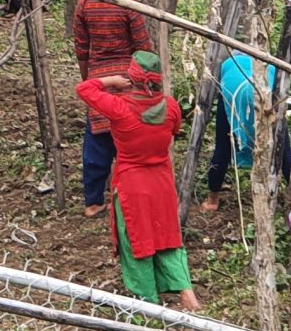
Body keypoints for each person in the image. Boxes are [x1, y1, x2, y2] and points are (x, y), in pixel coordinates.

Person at [75, 51, 200, 310]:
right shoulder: (171, 106)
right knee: (168, 236)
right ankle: (186, 291)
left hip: (132, 185)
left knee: (136, 240)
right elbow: (173, 131)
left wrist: (110, 81)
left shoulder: (120, 108)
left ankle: (148, 303)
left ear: (131, 77)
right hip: (162, 183)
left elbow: (84, 89)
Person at [71, 0, 154, 217]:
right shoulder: (129, 6)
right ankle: (131, 195)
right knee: (129, 139)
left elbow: (81, 49)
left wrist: (90, 80)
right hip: (129, 78)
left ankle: (93, 202)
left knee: (97, 141)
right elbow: (143, 48)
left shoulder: (84, 5)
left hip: (99, 77)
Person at [199, 52, 283, 212]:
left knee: (223, 146)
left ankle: (212, 200)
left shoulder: (228, 63)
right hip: (266, 90)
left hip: (233, 90)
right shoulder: (270, 63)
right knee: (281, 145)